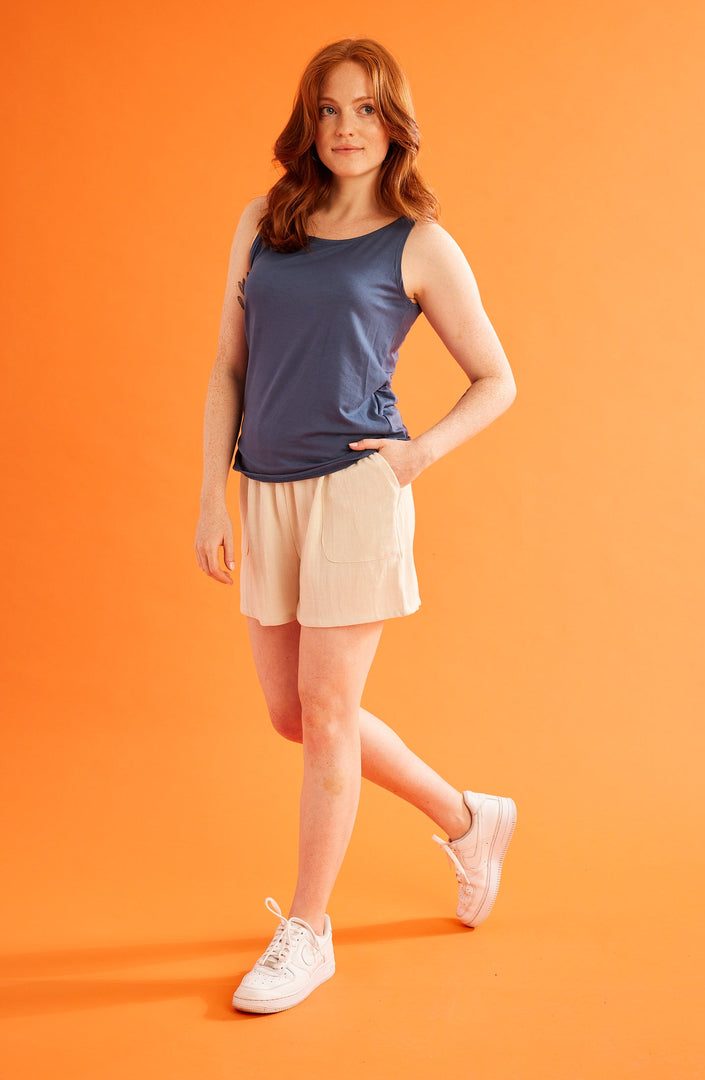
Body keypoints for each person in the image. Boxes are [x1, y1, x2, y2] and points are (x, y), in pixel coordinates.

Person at [194, 37, 518, 1015]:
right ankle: (467, 816)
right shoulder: (265, 221)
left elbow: (496, 379)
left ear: (394, 122)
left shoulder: (418, 242)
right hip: (266, 489)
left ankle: (308, 931)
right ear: (310, 121)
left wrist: (414, 457)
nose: (347, 128)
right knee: (293, 716)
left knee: (328, 714)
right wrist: (211, 495)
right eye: (330, 109)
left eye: (367, 109)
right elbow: (229, 366)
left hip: (354, 492)